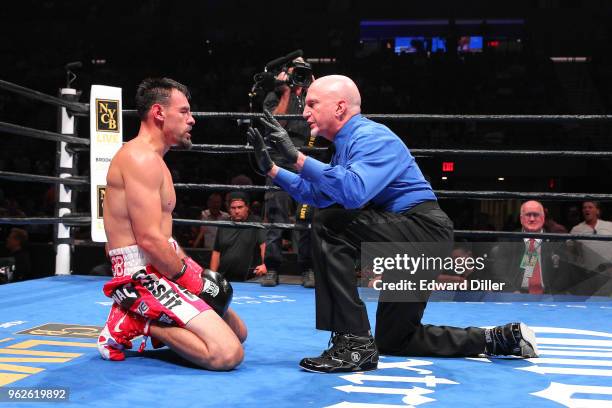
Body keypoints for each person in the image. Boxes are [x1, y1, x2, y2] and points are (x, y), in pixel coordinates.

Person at [247, 75, 538, 373]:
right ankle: (495, 339)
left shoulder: (372, 137)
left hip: (420, 229)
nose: (304, 112)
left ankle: (354, 342)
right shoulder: (344, 148)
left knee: (329, 224)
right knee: (396, 338)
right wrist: (271, 169)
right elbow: (320, 194)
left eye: (312, 104)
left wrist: (296, 158)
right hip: (409, 235)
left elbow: (352, 191)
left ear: (339, 107)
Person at [98, 77, 247, 370]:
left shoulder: (157, 161)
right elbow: (149, 240)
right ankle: (136, 323)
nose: (191, 120)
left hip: (159, 264)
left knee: (238, 332)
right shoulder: (140, 159)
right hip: (139, 275)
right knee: (227, 355)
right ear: (159, 112)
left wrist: (195, 271)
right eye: (184, 111)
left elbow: (163, 239)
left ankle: (146, 318)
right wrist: (191, 280)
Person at [260, 56, 318, 288]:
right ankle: (272, 268)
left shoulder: (312, 97)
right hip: (279, 162)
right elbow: (276, 125)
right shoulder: (274, 96)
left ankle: (307, 267)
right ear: (286, 73)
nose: (299, 76)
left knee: (306, 218)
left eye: (303, 71)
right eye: (296, 71)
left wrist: (316, 88)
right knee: (276, 215)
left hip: (306, 162)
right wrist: (285, 92)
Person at [489, 200, 570, 294]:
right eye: (528, 215)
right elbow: (498, 271)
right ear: (521, 219)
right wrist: (512, 291)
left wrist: (552, 295)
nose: (532, 219)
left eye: (536, 215)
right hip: (516, 296)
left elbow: (565, 275)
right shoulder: (509, 240)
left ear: (543, 218)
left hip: (548, 297)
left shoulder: (556, 240)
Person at [209, 191, 267, 281]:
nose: (236, 211)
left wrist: (265, 264)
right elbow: (216, 252)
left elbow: (264, 246)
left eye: (240, 207)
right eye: (233, 208)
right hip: (225, 278)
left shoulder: (256, 223)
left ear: (247, 207)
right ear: (229, 209)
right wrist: (212, 276)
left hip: (250, 279)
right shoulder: (224, 225)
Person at [569, 201, 612, 273]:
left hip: (609, 271)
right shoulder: (576, 230)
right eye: (584, 208)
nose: (587, 209)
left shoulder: (609, 226)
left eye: (590, 207)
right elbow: (571, 252)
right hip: (588, 273)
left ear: (597, 211)